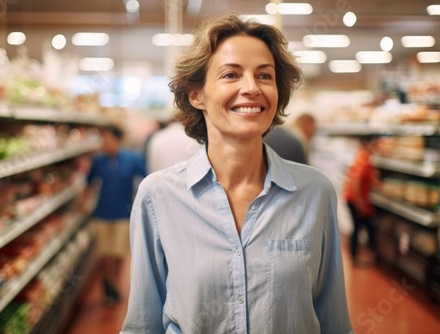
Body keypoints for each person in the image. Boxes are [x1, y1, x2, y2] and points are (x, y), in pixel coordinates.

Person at [122, 14, 353, 333]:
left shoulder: (315, 193)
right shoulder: (159, 196)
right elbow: (143, 325)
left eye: (265, 76)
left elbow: (334, 322)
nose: (251, 88)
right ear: (196, 94)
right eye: (231, 74)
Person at [86, 126, 146, 303]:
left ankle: (115, 283)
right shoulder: (98, 161)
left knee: (119, 252)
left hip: (124, 212)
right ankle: (109, 283)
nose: (105, 143)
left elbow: (146, 179)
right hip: (103, 211)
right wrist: (82, 205)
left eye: (108, 139)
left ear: (117, 140)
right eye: (103, 139)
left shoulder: (132, 159)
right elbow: (89, 183)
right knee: (105, 252)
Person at [343, 136, 379, 265]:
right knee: (359, 226)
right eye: (376, 144)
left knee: (360, 226)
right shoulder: (365, 159)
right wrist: (359, 202)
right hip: (355, 198)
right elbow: (357, 180)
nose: (378, 147)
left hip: (351, 197)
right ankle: (356, 256)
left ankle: (359, 255)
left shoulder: (361, 155)